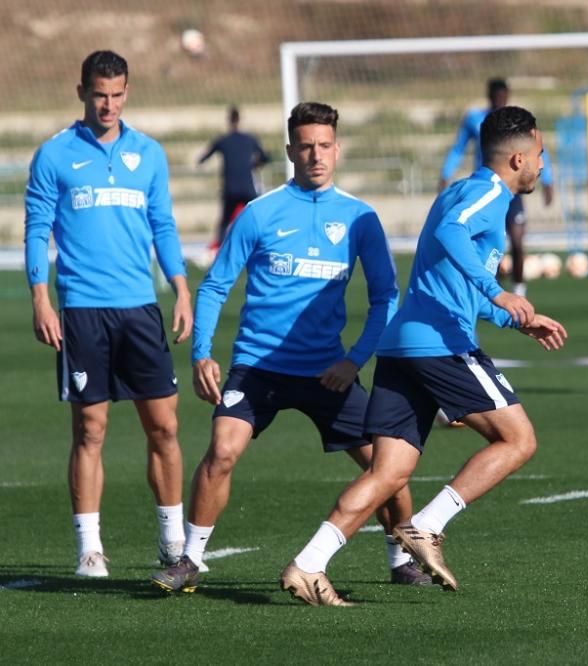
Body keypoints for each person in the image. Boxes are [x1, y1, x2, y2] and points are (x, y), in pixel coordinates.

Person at [279, 105, 568, 606]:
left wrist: (515, 319)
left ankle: (306, 565)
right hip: (440, 346)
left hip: (400, 347)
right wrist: (500, 294)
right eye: (541, 156)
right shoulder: (487, 194)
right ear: (518, 157)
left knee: (386, 475)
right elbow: (450, 234)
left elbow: (451, 279)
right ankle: (428, 526)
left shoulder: (462, 188)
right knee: (518, 440)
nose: (543, 166)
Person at [150, 102, 430, 594]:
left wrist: (353, 360)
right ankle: (190, 560)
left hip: (329, 371)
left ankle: (399, 559)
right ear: (288, 151)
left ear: (337, 149)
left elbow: (386, 297)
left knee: (387, 465)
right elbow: (215, 287)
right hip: (259, 366)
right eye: (305, 146)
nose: (315, 155)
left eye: (324, 146)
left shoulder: (360, 218)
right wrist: (202, 353)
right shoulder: (259, 213)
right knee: (221, 450)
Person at [24, 50, 192, 577]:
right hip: (82, 312)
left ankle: (172, 542)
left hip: (140, 309)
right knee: (91, 430)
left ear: (127, 92)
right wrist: (40, 297)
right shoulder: (54, 155)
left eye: (118, 94)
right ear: (81, 92)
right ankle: (90, 549)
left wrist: (182, 289)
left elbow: (163, 226)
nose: (109, 104)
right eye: (100, 94)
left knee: (164, 426)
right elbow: (35, 229)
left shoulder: (150, 153)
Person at [439, 78, 554, 297]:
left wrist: (548, 180)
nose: (501, 100)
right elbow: (458, 148)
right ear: (489, 97)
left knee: (517, 242)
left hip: (511, 192)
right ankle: (492, 292)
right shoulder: (476, 120)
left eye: (504, 96)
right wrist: (445, 174)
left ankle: (518, 293)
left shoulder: (518, 125)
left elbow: (539, 151)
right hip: (488, 187)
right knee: (490, 247)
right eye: (497, 97)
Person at [198, 106, 270, 249]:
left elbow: (204, 157)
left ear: (228, 121)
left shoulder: (223, 140)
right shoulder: (249, 139)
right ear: (240, 120)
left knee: (224, 222)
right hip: (247, 186)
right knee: (256, 216)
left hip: (230, 188)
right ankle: (264, 243)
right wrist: (253, 165)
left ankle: (219, 249)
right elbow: (265, 157)